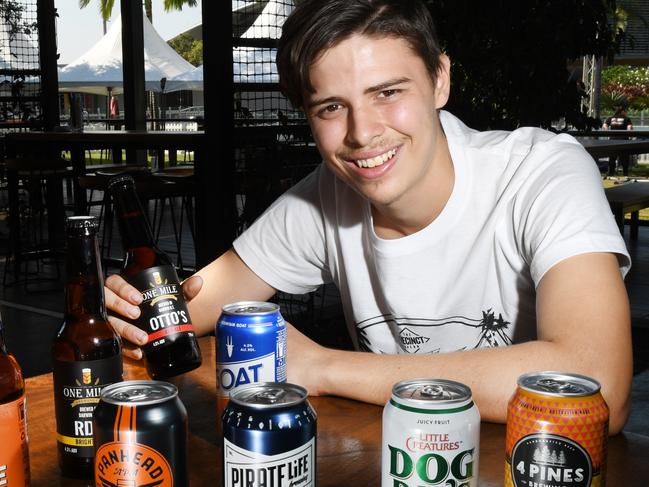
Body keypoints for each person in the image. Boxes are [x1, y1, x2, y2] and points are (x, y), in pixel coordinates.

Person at [105, 0, 632, 433]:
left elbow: (597, 383)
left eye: (388, 92)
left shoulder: (541, 172)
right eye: (331, 107)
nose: (362, 133)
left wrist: (328, 368)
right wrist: (130, 311)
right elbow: (187, 307)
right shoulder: (322, 200)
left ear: (440, 80)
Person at [603, 105, 634, 176]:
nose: (626, 112)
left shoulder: (610, 118)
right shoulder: (626, 119)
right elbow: (629, 128)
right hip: (623, 141)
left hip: (612, 141)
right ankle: (625, 174)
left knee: (612, 158)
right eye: (625, 111)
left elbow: (604, 125)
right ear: (622, 111)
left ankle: (611, 173)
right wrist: (630, 136)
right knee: (624, 158)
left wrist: (608, 132)